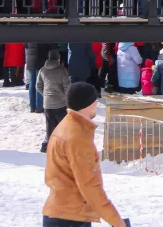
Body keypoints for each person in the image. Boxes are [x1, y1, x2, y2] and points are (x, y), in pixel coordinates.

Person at [43, 81, 127, 227]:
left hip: (62, 212)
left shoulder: (66, 126)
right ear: (89, 104)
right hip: (70, 218)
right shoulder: (78, 137)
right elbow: (89, 185)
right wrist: (117, 222)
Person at [37, 49, 71, 153]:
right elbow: (67, 87)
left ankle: (47, 147)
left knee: (49, 126)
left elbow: (38, 86)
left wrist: (46, 95)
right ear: (58, 58)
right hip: (60, 103)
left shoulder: (42, 70)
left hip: (47, 104)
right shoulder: (62, 70)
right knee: (62, 126)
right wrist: (66, 98)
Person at [27, 43, 58, 112]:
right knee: (40, 84)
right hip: (40, 62)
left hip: (30, 61)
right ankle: (39, 106)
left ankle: (32, 106)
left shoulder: (29, 37)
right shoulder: (41, 36)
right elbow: (52, 46)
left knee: (32, 84)